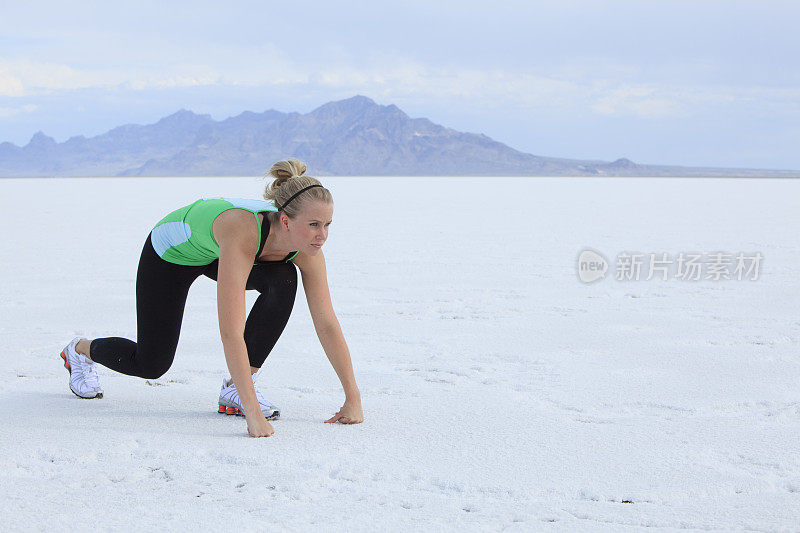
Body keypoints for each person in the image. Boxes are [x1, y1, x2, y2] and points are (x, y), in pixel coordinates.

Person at [59, 158, 363, 438]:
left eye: (327, 225)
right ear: (285, 222)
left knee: (283, 279)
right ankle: (79, 350)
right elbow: (230, 332)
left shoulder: (307, 250)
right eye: (313, 225)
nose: (322, 235)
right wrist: (254, 416)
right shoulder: (243, 232)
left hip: (216, 251)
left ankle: (236, 388)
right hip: (172, 253)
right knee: (151, 364)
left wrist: (352, 398)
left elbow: (326, 323)